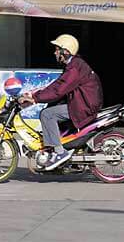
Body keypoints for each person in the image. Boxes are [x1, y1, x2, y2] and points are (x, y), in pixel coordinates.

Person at [22, 34, 103, 170]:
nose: (55, 52)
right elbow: (57, 85)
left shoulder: (75, 68)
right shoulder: (73, 65)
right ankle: (61, 147)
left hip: (84, 106)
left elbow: (59, 89)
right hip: (81, 102)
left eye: (57, 49)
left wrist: (35, 99)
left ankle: (60, 152)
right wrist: (34, 94)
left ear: (65, 51)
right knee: (51, 107)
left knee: (47, 114)